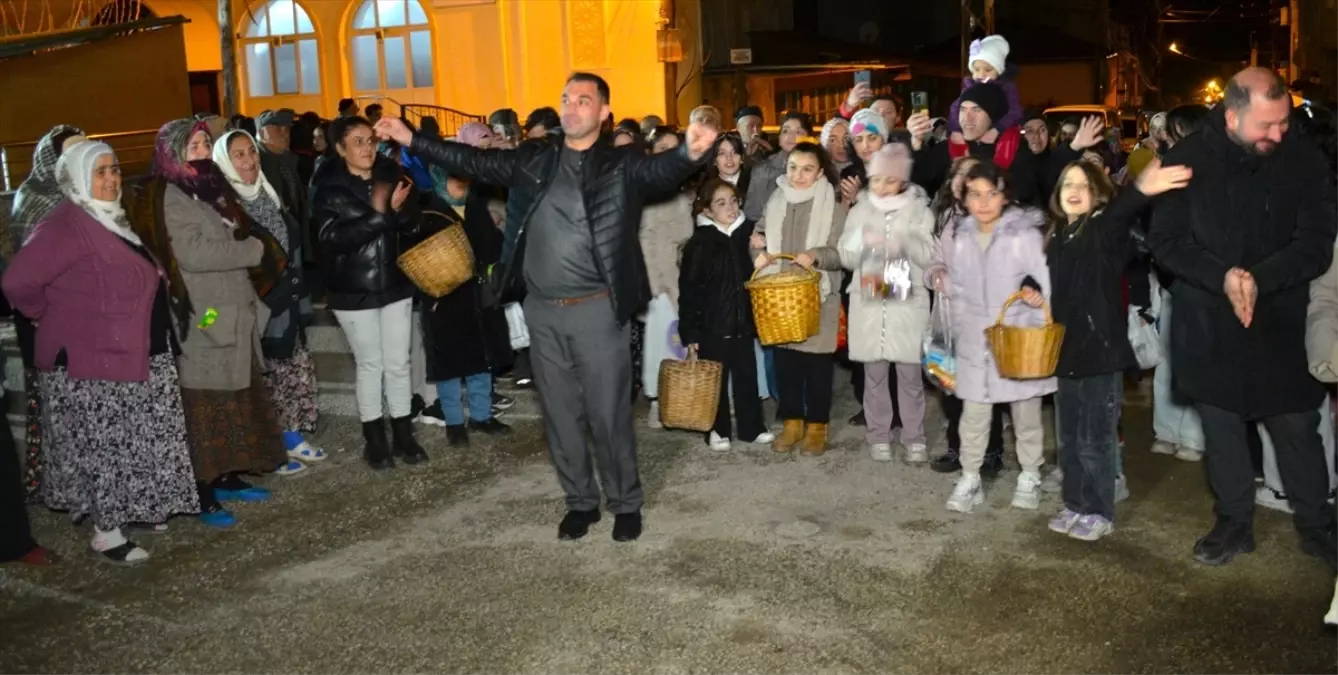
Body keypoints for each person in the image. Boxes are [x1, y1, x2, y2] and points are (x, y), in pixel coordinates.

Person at [373, 72, 717, 542]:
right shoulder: (535, 158)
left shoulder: (621, 163)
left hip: (598, 310)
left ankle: (625, 503)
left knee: (608, 414)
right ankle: (580, 502)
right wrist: (414, 139)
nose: (571, 107)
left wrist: (690, 151)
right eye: (565, 99)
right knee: (558, 413)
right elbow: (474, 159)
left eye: (583, 100)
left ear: (603, 112)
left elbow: (660, 172)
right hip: (543, 310)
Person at [1147, 67, 1338, 568]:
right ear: (1232, 116)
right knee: (1223, 427)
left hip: (1280, 320)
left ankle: (1317, 521)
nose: (1279, 134)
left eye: (1284, 123)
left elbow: (1316, 245)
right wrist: (1222, 276)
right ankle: (1234, 522)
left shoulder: (1303, 159)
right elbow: (1166, 242)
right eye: (1267, 125)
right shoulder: (1186, 159)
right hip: (1209, 320)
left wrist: (1260, 278)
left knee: (1297, 426)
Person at [4, 141, 200, 564]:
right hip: (90, 361)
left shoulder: (110, 219)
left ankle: (134, 508)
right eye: (100, 172)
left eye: (113, 169)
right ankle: (106, 533)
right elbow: (17, 283)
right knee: (104, 447)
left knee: (133, 440)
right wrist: (45, 315)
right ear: (76, 178)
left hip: (131, 350)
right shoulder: (66, 225)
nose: (111, 180)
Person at [142, 119, 290, 525]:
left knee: (236, 396)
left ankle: (228, 475)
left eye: (206, 143)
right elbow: (195, 254)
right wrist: (250, 251)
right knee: (205, 402)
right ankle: (202, 490)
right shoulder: (171, 196)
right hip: (204, 313)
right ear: (173, 153)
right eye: (194, 146)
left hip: (233, 307)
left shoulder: (211, 191)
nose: (203, 151)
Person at [1045, 158, 1192, 541]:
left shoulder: (1103, 231)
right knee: (1069, 438)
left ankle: (1099, 510)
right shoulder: (1059, 236)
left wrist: (1141, 189)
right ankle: (1075, 503)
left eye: (1083, 185)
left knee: (1097, 439)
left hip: (1100, 353)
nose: (1074, 191)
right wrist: (1031, 286)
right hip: (1065, 352)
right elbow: (1043, 276)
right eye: (1066, 185)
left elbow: (1119, 216)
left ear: (1097, 196)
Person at [926, 161, 1054, 513]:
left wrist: (1031, 290)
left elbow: (1042, 274)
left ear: (1005, 196)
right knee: (974, 412)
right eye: (975, 194)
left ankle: (1030, 473)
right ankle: (970, 477)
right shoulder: (961, 231)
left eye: (992, 193)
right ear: (963, 197)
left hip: (1017, 336)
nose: (984, 202)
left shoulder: (1022, 233)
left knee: (1025, 411)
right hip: (976, 336)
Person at [312, 115, 429, 469]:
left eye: (370, 140)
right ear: (340, 148)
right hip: (353, 289)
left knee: (398, 363)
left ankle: (404, 434)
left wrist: (404, 212)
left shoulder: (390, 176)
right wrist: (383, 216)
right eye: (358, 142)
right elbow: (330, 240)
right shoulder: (329, 186)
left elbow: (413, 225)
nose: (367, 148)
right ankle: (374, 439)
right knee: (370, 364)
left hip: (395, 284)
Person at [214, 130, 326, 467]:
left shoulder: (266, 191)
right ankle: (271, 444)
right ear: (224, 161)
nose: (249, 160)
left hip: (287, 296)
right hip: (256, 306)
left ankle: (290, 435)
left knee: (290, 368)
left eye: (251, 152)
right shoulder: (223, 205)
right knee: (267, 375)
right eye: (239, 155)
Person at [838, 145, 935, 464]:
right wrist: (865, 240)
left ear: (903, 181)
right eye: (876, 179)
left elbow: (928, 254)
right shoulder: (860, 209)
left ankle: (913, 435)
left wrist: (904, 241)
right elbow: (847, 256)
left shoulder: (919, 210)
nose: (881, 186)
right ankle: (878, 433)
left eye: (890, 180)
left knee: (909, 376)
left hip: (906, 307)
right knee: (874, 373)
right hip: (869, 305)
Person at [750, 142, 848, 455]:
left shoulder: (833, 204)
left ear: (820, 171)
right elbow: (759, 236)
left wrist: (816, 255)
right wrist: (758, 252)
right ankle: (792, 423)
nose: (798, 175)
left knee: (817, 366)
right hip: (779, 298)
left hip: (817, 296)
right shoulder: (776, 199)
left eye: (807, 169)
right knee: (786, 363)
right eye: (793, 167)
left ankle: (818, 426)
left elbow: (842, 254)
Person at [7, 124, 87, 503]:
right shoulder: (35, 199)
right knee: (59, 410)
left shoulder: (85, 194)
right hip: (51, 319)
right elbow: (25, 272)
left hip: (88, 318)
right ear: (49, 159)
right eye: (68, 152)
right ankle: (60, 487)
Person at [678, 178, 773, 450]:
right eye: (721, 203)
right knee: (714, 380)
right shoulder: (700, 243)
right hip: (713, 326)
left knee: (747, 376)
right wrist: (691, 332)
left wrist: (759, 247)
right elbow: (689, 290)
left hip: (743, 321)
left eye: (733, 200)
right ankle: (715, 429)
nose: (730, 207)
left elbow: (759, 272)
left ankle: (751, 427)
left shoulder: (747, 234)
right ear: (707, 210)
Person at [1148, 104, 1212, 462]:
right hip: (1172, 281)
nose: (1167, 139)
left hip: (1204, 282)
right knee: (1167, 359)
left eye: (1174, 132)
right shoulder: (1165, 170)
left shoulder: (1216, 172)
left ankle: (1195, 436)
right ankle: (1166, 429)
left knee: (1198, 359)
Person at [907, 81, 1040, 205]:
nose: (967, 118)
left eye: (976, 110)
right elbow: (919, 184)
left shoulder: (1014, 149)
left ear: (993, 116)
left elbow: (1027, 196)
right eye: (963, 109)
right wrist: (916, 142)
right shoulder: (950, 147)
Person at [947, 36, 1023, 143]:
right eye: (977, 69)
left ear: (998, 70)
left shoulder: (1006, 87)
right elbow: (955, 107)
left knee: (1011, 137)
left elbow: (1015, 111)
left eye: (988, 70)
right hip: (973, 139)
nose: (981, 74)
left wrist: (997, 129)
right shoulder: (969, 87)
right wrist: (955, 129)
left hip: (1001, 135)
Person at [745, 111, 811, 222]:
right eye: (785, 131)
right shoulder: (763, 170)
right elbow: (753, 215)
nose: (791, 136)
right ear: (779, 138)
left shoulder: (820, 168)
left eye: (798, 132)